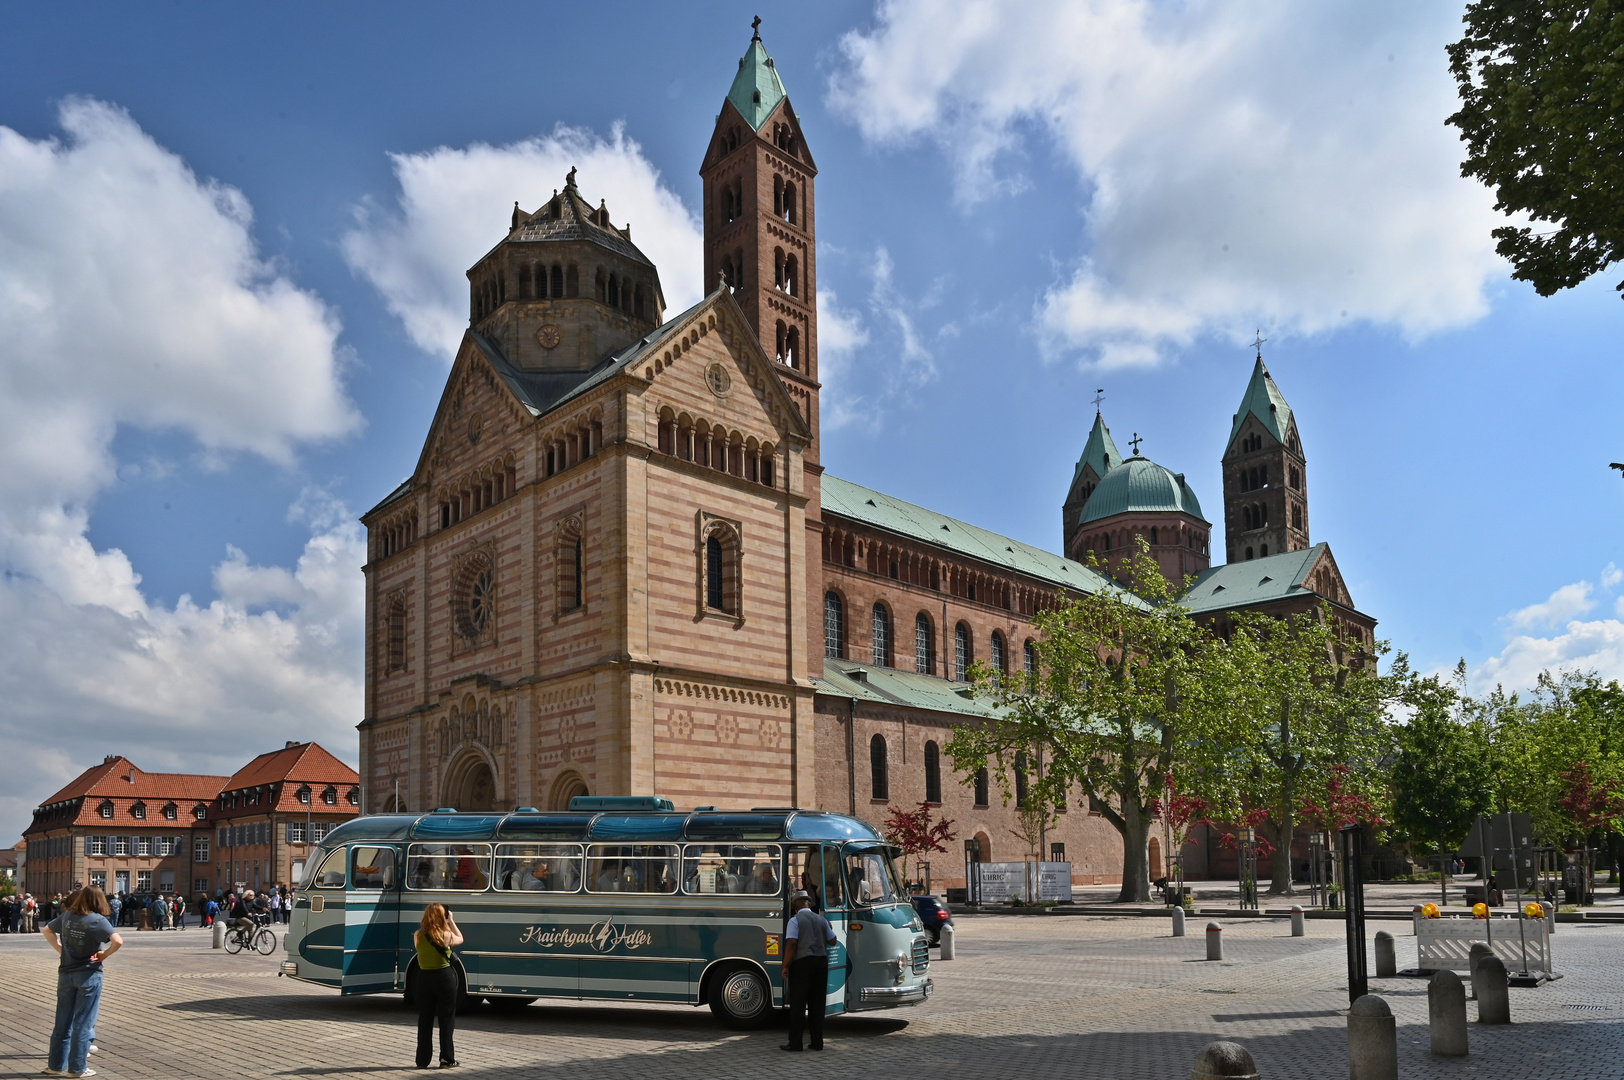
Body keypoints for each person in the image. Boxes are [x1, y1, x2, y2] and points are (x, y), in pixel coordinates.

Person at [43, 885, 121, 1078]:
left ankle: (55, 1065)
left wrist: (61, 950)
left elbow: (47, 930)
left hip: (66, 973)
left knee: (62, 1021)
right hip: (89, 974)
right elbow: (118, 941)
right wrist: (104, 955)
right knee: (83, 1023)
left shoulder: (68, 916)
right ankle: (77, 1068)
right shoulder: (98, 920)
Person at [780, 890, 837, 1052]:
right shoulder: (821, 920)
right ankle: (817, 1042)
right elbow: (832, 941)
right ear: (809, 904)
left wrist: (785, 965)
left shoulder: (795, 920)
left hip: (802, 963)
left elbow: (792, 942)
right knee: (817, 1005)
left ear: (795, 906)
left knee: (798, 1005)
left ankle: (796, 1043)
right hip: (821, 963)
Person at [413, 904, 463, 1069]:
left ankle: (422, 1060)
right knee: (446, 1019)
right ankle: (447, 1059)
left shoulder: (418, 935)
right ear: (443, 917)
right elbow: (460, 938)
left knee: (425, 1019)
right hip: (444, 979)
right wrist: (451, 922)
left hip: (424, 979)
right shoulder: (446, 935)